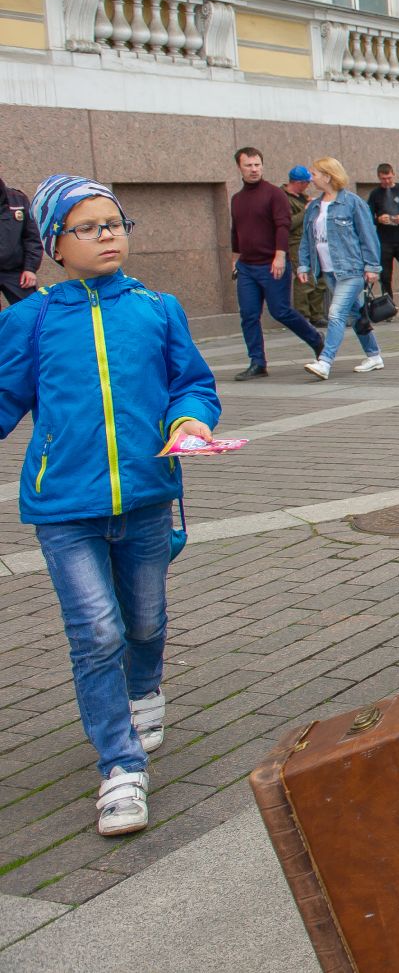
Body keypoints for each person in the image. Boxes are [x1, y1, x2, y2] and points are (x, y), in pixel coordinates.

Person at [0, 176, 220, 837]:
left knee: (146, 621)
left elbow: (194, 385)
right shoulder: (28, 319)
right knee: (96, 633)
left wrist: (189, 421)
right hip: (64, 509)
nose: (108, 235)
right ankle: (120, 767)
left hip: (149, 499)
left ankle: (146, 686)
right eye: (89, 227)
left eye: (116, 223)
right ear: (55, 246)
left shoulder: (158, 308)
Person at [229, 147, 323, 381]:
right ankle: (257, 362)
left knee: (280, 310)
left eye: (257, 165)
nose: (254, 169)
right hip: (247, 267)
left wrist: (280, 255)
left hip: (272, 264)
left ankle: (316, 340)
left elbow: (283, 225)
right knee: (249, 315)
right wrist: (235, 259)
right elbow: (236, 230)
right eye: (249, 165)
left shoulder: (274, 194)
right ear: (239, 167)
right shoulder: (237, 199)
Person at [294, 158, 383, 380]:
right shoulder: (314, 206)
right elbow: (307, 238)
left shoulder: (352, 203)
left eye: (314, 174)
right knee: (354, 313)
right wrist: (303, 264)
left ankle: (324, 362)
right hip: (327, 271)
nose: (311, 178)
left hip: (351, 270)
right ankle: (374, 356)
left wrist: (372, 266)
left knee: (335, 313)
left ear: (328, 176)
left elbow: (367, 236)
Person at [367, 163, 399, 322]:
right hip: (384, 241)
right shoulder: (375, 194)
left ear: (393, 175)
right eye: (383, 179)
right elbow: (368, 217)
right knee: (385, 276)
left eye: (389, 178)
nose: (387, 181)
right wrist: (378, 219)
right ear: (379, 177)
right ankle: (389, 309)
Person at [282, 167, 327, 328]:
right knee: (304, 278)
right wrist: (306, 211)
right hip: (296, 242)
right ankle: (302, 316)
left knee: (320, 279)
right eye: (306, 183)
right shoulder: (283, 198)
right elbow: (288, 224)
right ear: (298, 183)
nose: (308, 185)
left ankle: (317, 314)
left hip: (313, 241)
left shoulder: (302, 197)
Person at [0, 172, 40, 307]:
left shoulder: (17, 199)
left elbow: (31, 237)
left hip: (16, 272)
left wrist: (30, 268)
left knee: (32, 312)